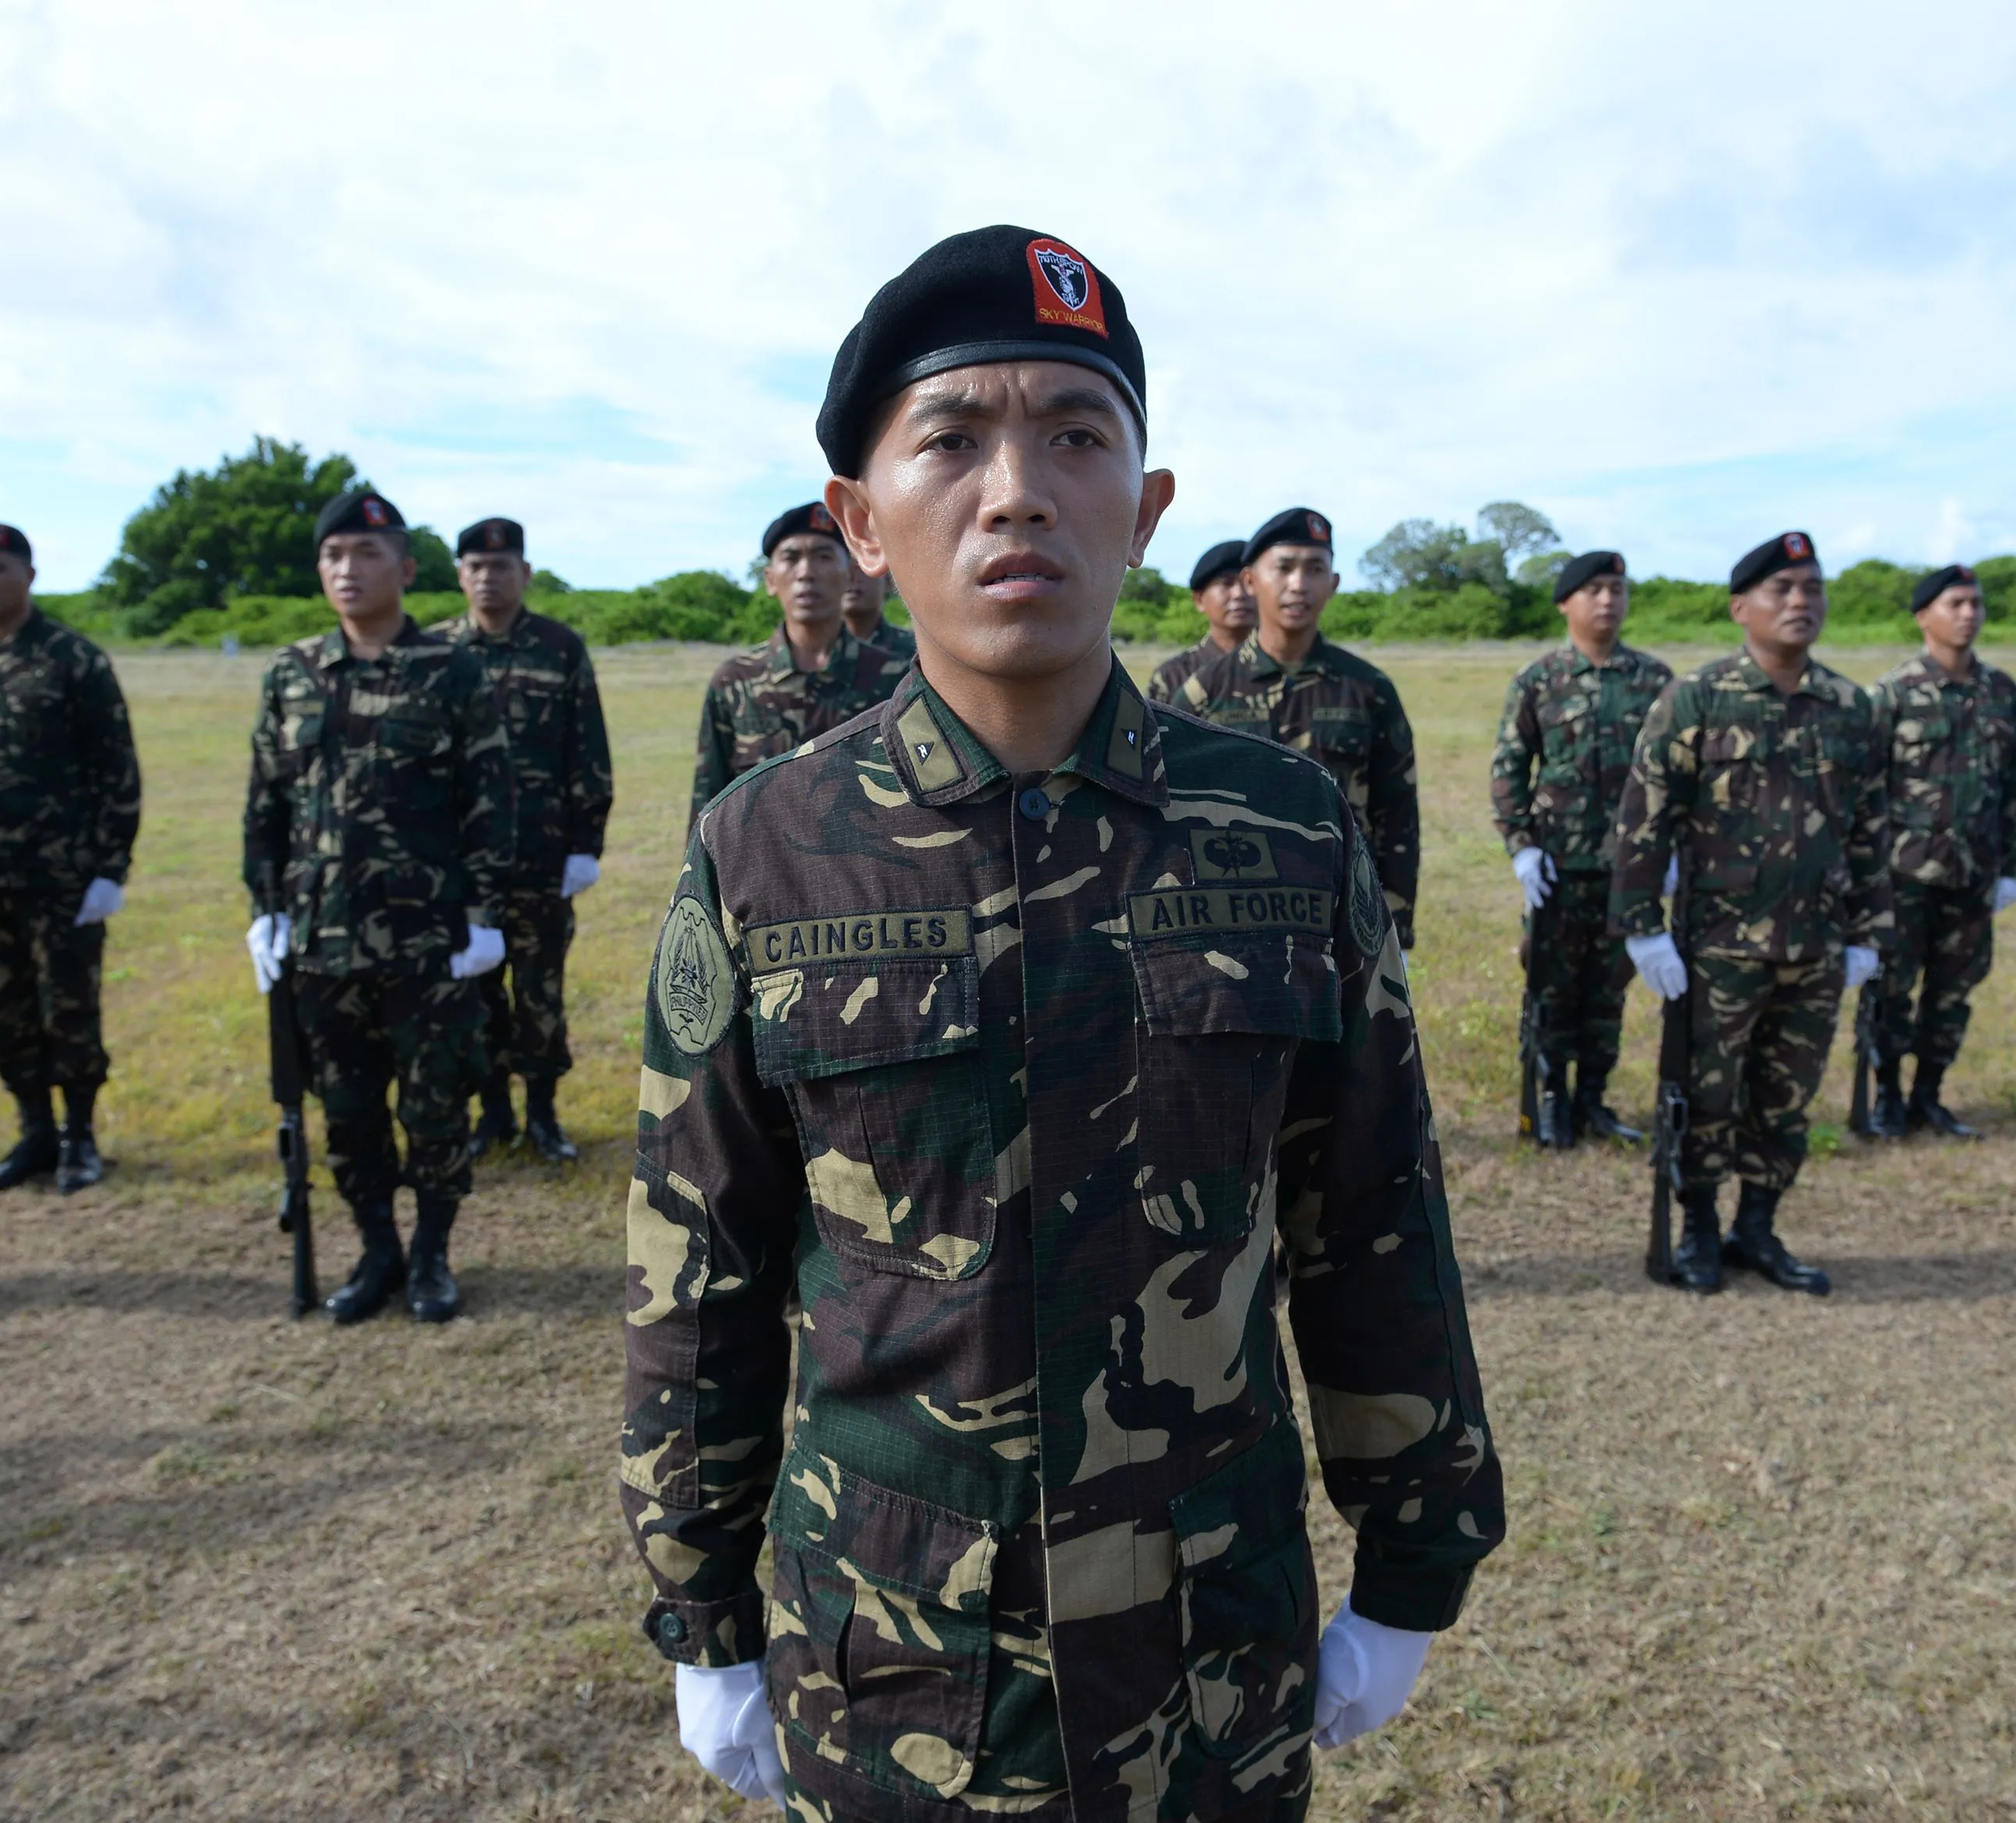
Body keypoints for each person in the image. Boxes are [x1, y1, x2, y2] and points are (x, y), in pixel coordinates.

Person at [624, 225, 1503, 1823]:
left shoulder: (1287, 830)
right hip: (891, 1649)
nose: (1015, 488)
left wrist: (1416, 1543)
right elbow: (702, 1259)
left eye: (1076, 436)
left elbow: (1371, 1213)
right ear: (859, 522)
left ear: (1148, 511)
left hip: (1205, 1645)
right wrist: (702, 1608)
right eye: (950, 440)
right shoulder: (766, 847)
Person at [241, 489, 510, 1325]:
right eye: (332, 556)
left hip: (428, 941)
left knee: (433, 1108)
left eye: (364, 553)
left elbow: (490, 796)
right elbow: (267, 803)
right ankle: (375, 1247)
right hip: (320, 941)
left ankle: (430, 1250)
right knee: (348, 1113)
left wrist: (486, 914)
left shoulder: (451, 670)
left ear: (404, 567)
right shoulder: (292, 673)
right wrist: (265, 907)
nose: (345, 570)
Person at [1612, 531, 1890, 1296]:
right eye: (1781, 590)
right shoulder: (1695, 699)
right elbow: (1643, 816)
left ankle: (1757, 1226)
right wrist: (1642, 926)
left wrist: (1868, 931)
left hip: (1815, 943)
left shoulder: (1848, 706)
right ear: (1741, 608)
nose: (1800, 602)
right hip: (1717, 945)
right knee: (1708, 1093)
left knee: (1786, 1096)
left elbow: (1869, 827)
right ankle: (1699, 1224)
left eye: (1811, 588)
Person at [0, 521, 142, 1195]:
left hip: (61, 876)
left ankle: (79, 1134)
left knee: (68, 1009)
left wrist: (109, 869)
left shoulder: (74, 660)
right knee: (4, 1012)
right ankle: (33, 1133)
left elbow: (117, 770)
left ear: (29, 576)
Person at [437, 516, 612, 1163]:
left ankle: (542, 1114)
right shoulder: (437, 653)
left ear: (525, 574)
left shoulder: (559, 648)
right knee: (472, 994)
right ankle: (493, 1114)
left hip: (541, 856)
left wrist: (584, 843)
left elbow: (585, 748)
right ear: (460, 576)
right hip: (461, 865)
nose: (488, 577)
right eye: (476, 567)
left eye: (501, 566)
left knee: (539, 993)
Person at [1168, 509, 1422, 948]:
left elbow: (1397, 813)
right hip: (1234, 918)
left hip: (1343, 912)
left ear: (1335, 584)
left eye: (1315, 569)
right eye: (1284, 568)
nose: (1298, 584)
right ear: (1251, 581)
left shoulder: (1369, 689)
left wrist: (1394, 924)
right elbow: (1168, 815)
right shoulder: (1201, 694)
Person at [1489, 549, 1672, 1144]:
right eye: (1593, 589)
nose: (1607, 600)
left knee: (1608, 986)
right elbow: (1510, 769)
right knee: (1549, 984)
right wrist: (1521, 845)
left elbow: (1674, 775)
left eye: (1617, 588)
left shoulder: (1655, 680)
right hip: (1558, 865)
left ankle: (1593, 1099)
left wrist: (1667, 855)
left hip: (1628, 867)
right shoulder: (1539, 680)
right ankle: (1548, 1098)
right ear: (1566, 601)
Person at [1862, 563, 2016, 1139]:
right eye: (1955, 603)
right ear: (1924, 616)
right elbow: (1863, 790)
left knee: (1955, 991)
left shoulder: (2001, 691)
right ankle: (1883, 1095)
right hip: (1902, 873)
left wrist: (2014, 866)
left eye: (1975, 604)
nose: (1968, 614)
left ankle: (1928, 1096)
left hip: (1974, 872)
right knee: (1890, 990)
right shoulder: (1892, 693)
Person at [687, 502, 910, 826]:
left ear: (850, 574)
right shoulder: (735, 681)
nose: (806, 572)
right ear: (770, 579)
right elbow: (707, 805)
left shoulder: (896, 675)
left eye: (823, 556)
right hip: (763, 871)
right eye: (791, 558)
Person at [1142, 538, 1257, 703]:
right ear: (1200, 600)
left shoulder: (1289, 667)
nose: (1239, 594)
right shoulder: (1174, 676)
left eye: (1249, 583)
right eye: (1226, 584)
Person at [837, 557, 915, 656]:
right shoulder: (817, 651)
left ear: (888, 581)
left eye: (861, 568)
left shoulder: (914, 650)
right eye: (844, 569)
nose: (851, 577)